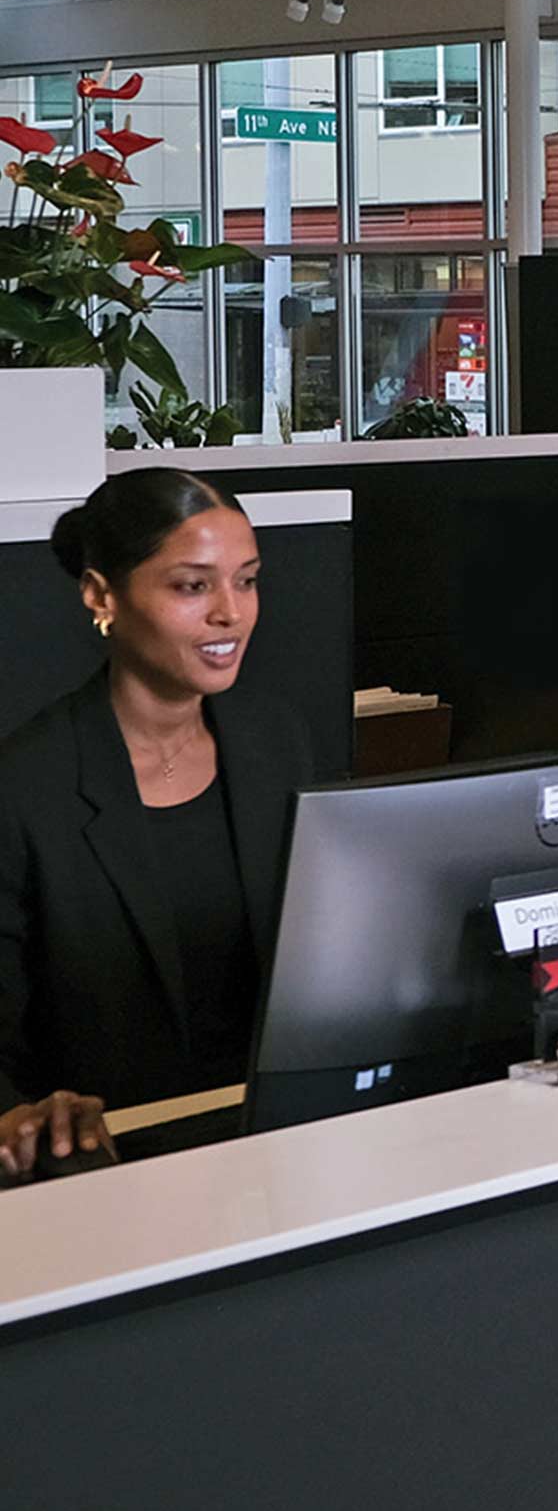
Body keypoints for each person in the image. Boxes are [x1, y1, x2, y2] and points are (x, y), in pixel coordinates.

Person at [0, 468, 312, 1181]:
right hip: (109, 1173)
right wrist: (19, 1115)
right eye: (192, 586)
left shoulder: (276, 743)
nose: (231, 614)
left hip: (276, 1151)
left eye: (248, 580)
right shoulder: (26, 786)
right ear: (101, 596)